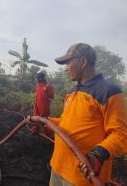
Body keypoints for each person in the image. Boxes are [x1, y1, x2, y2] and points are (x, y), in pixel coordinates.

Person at [29, 43, 127, 186]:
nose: (65, 68)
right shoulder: (71, 93)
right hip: (58, 167)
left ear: (83, 62)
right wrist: (46, 121)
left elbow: (121, 134)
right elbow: (66, 122)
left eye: (68, 62)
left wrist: (99, 154)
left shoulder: (108, 92)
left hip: (82, 177)